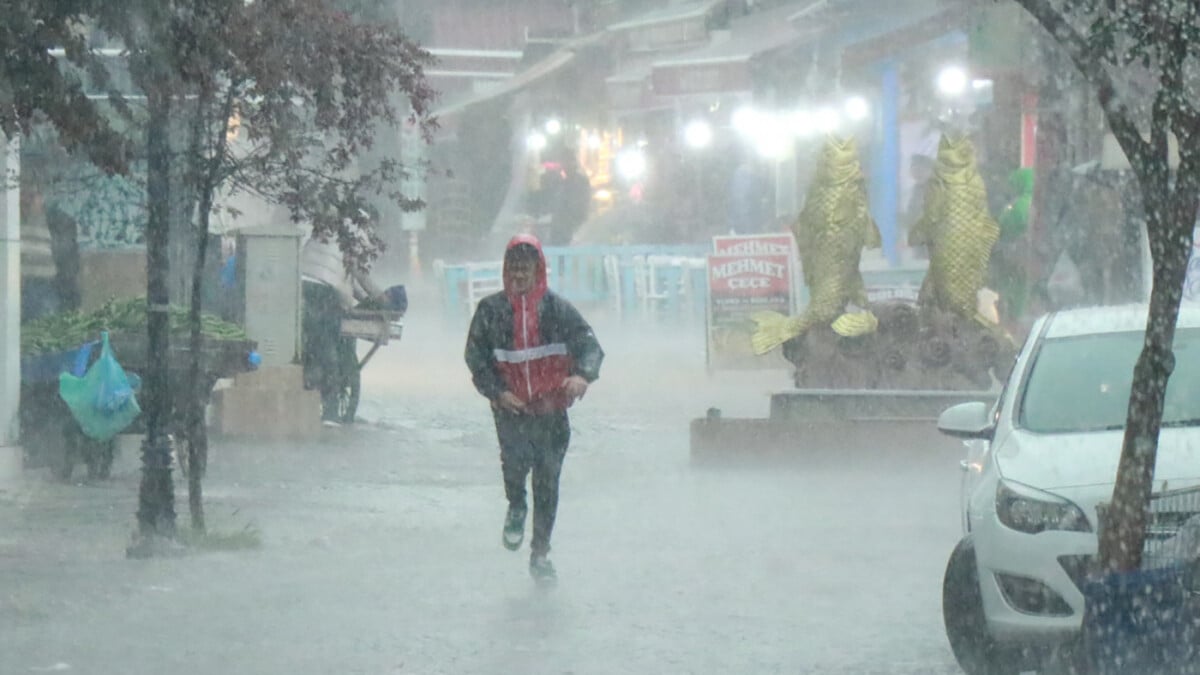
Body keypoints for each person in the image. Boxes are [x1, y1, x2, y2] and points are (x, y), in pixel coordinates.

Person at [464, 234, 604, 582]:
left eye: (526, 268)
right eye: (513, 268)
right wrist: (497, 393)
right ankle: (515, 505)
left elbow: (590, 347)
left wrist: (582, 377)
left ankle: (540, 553)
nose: (519, 275)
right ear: (505, 270)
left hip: (551, 412)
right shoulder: (491, 312)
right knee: (514, 468)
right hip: (511, 412)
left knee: (548, 482)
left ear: (538, 270)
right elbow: (475, 357)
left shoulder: (558, 310)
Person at [301, 230, 385, 426]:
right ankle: (330, 412)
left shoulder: (326, 228)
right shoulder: (356, 234)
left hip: (301, 287)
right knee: (328, 347)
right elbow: (360, 275)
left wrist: (364, 299)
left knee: (312, 341)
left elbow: (344, 278)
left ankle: (310, 380)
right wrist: (381, 299)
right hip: (324, 292)